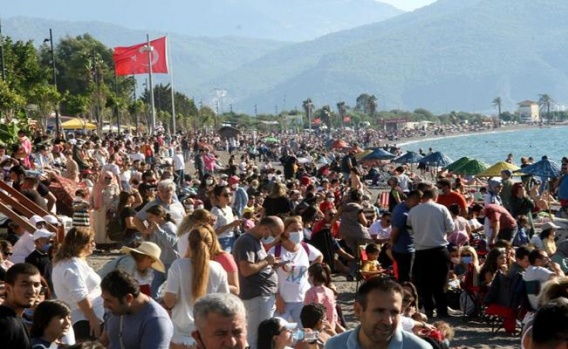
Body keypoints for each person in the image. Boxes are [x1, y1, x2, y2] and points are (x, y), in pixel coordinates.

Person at [163, 225, 229, 346]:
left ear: (189, 243)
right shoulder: (218, 268)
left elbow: (169, 301)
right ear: (211, 244)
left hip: (181, 334)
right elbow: (225, 301)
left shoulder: (178, 265)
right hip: (209, 332)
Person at [324, 277, 430, 349]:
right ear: (358, 310)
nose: (388, 321)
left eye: (394, 312)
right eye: (379, 311)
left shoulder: (419, 347)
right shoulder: (334, 346)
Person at [232, 216, 282, 349]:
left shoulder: (255, 240)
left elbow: (255, 265)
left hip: (261, 295)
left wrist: (269, 265)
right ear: (265, 228)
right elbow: (246, 269)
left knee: (261, 336)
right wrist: (267, 261)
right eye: (274, 234)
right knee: (256, 337)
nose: (275, 238)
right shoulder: (246, 241)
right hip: (257, 296)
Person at [407, 186, 455, 318]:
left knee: (424, 282)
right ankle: (442, 309)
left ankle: (428, 308)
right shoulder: (441, 208)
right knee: (441, 282)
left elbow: (410, 230)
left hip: (421, 251)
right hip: (439, 249)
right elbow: (451, 227)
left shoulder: (413, 211)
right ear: (436, 197)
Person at [51, 227, 104, 342]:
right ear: (81, 244)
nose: (94, 244)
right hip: (84, 320)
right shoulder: (73, 265)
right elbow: (79, 295)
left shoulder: (68, 262)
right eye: (91, 242)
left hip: (86, 317)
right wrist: (93, 319)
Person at [268, 216, 323, 324]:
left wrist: (310, 274)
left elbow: (319, 256)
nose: (298, 232)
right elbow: (269, 277)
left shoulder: (306, 248)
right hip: (282, 302)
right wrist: (277, 297)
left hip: (303, 300)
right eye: (293, 230)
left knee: (302, 332)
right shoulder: (275, 251)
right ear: (285, 232)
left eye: (300, 229)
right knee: (281, 332)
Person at [99, 269, 173, 349]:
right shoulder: (116, 310)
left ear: (128, 298)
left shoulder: (155, 321)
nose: (105, 305)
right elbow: (104, 341)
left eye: (109, 301)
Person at [97, 241, 165, 297]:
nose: (151, 265)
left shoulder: (146, 270)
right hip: (101, 290)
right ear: (145, 257)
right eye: (151, 262)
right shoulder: (129, 262)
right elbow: (121, 285)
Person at [0, 263, 42, 349]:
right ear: (8, 288)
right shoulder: (6, 324)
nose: (32, 291)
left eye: (36, 285)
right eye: (25, 284)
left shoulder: (15, 320)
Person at [143, 204, 179, 297]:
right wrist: (146, 234)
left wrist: (158, 230)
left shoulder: (170, 227)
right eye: (149, 217)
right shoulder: (155, 227)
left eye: (152, 217)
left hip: (170, 263)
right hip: (159, 262)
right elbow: (152, 245)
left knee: (173, 290)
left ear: (160, 216)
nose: (150, 219)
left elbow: (170, 243)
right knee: (153, 289)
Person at [390, 190, 423, 283]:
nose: (419, 204)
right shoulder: (403, 213)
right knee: (406, 277)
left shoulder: (400, 206)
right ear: (413, 199)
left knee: (405, 275)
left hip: (404, 248)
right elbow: (394, 231)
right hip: (404, 250)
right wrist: (393, 244)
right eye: (418, 201)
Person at [91, 170, 120, 245]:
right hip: (99, 210)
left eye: (110, 178)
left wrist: (113, 206)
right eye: (106, 178)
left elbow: (117, 198)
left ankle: (109, 244)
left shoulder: (114, 186)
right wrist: (92, 205)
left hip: (109, 210)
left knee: (108, 226)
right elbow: (92, 197)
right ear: (103, 177)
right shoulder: (97, 185)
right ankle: (99, 243)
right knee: (99, 227)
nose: (108, 180)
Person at [211, 185, 242, 253]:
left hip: (233, 238)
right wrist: (231, 224)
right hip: (223, 241)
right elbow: (214, 232)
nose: (228, 197)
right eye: (225, 195)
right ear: (218, 197)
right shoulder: (215, 210)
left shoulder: (229, 209)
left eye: (230, 194)